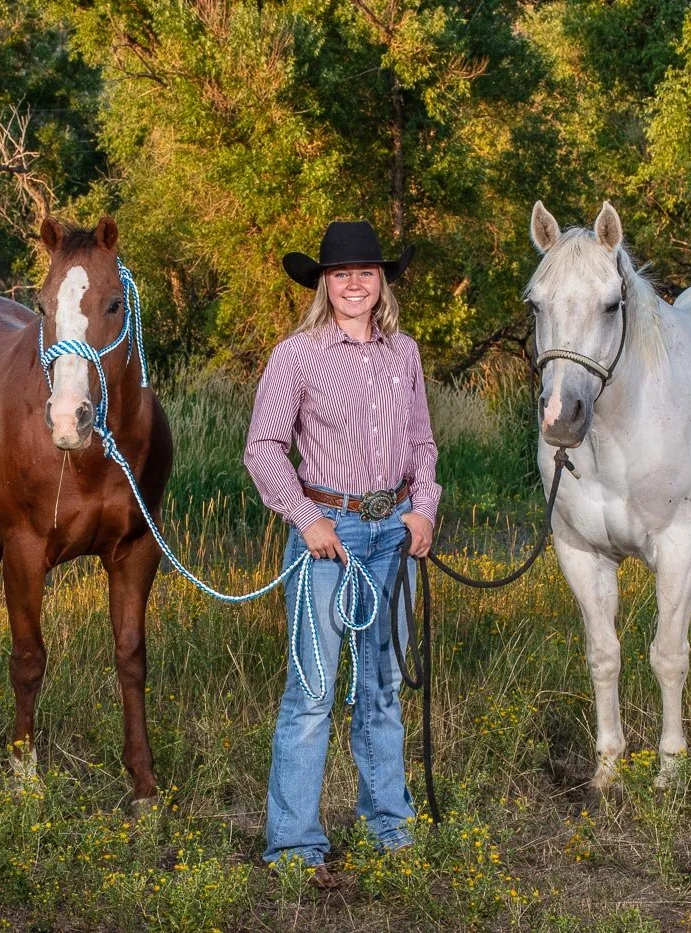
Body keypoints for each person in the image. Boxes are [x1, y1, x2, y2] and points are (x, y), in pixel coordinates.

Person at [244, 220, 440, 887]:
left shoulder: (404, 353)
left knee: (382, 686)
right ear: (324, 284)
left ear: (381, 280)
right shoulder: (294, 356)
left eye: (366, 272)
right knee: (314, 689)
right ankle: (295, 845)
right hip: (329, 530)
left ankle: (390, 824)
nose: (354, 283)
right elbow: (264, 448)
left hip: (394, 532)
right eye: (341, 274)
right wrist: (306, 518)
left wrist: (425, 507)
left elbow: (423, 446)